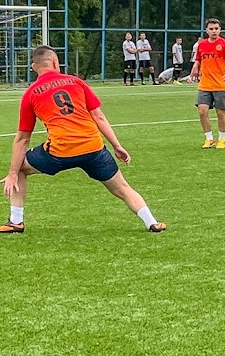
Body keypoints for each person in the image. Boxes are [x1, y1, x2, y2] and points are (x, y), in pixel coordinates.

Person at [0, 46, 166, 234]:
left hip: (59, 151)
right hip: (93, 148)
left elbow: (22, 139)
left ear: (33, 67)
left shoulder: (31, 93)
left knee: (20, 168)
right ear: (56, 63)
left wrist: (13, 172)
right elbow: (99, 117)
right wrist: (117, 146)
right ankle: (152, 222)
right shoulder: (76, 82)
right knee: (122, 187)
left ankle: (16, 222)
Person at [189, 19, 225, 149]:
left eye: (216, 28)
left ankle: (221, 139)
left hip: (220, 84)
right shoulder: (202, 45)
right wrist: (195, 69)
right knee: (202, 111)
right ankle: (209, 139)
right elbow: (198, 60)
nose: (214, 31)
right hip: (205, 84)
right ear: (206, 30)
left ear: (220, 29)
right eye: (211, 29)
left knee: (220, 113)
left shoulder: (224, 44)